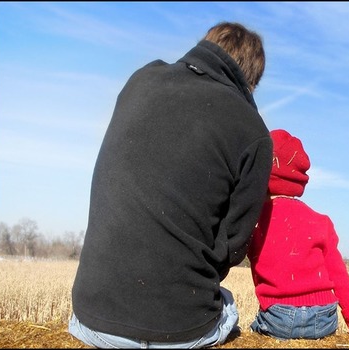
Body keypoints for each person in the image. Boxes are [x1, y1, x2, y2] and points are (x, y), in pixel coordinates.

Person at [68, 22, 273, 348]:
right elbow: (233, 246)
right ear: (251, 81)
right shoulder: (253, 132)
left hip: (89, 318)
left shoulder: (141, 79)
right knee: (229, 305)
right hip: (176, 330)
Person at [246, 129, 349, 340]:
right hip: (325, 317)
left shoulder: (255, 221)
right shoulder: (321, 221)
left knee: (250, 330)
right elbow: (338, 275)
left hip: (279, 317)